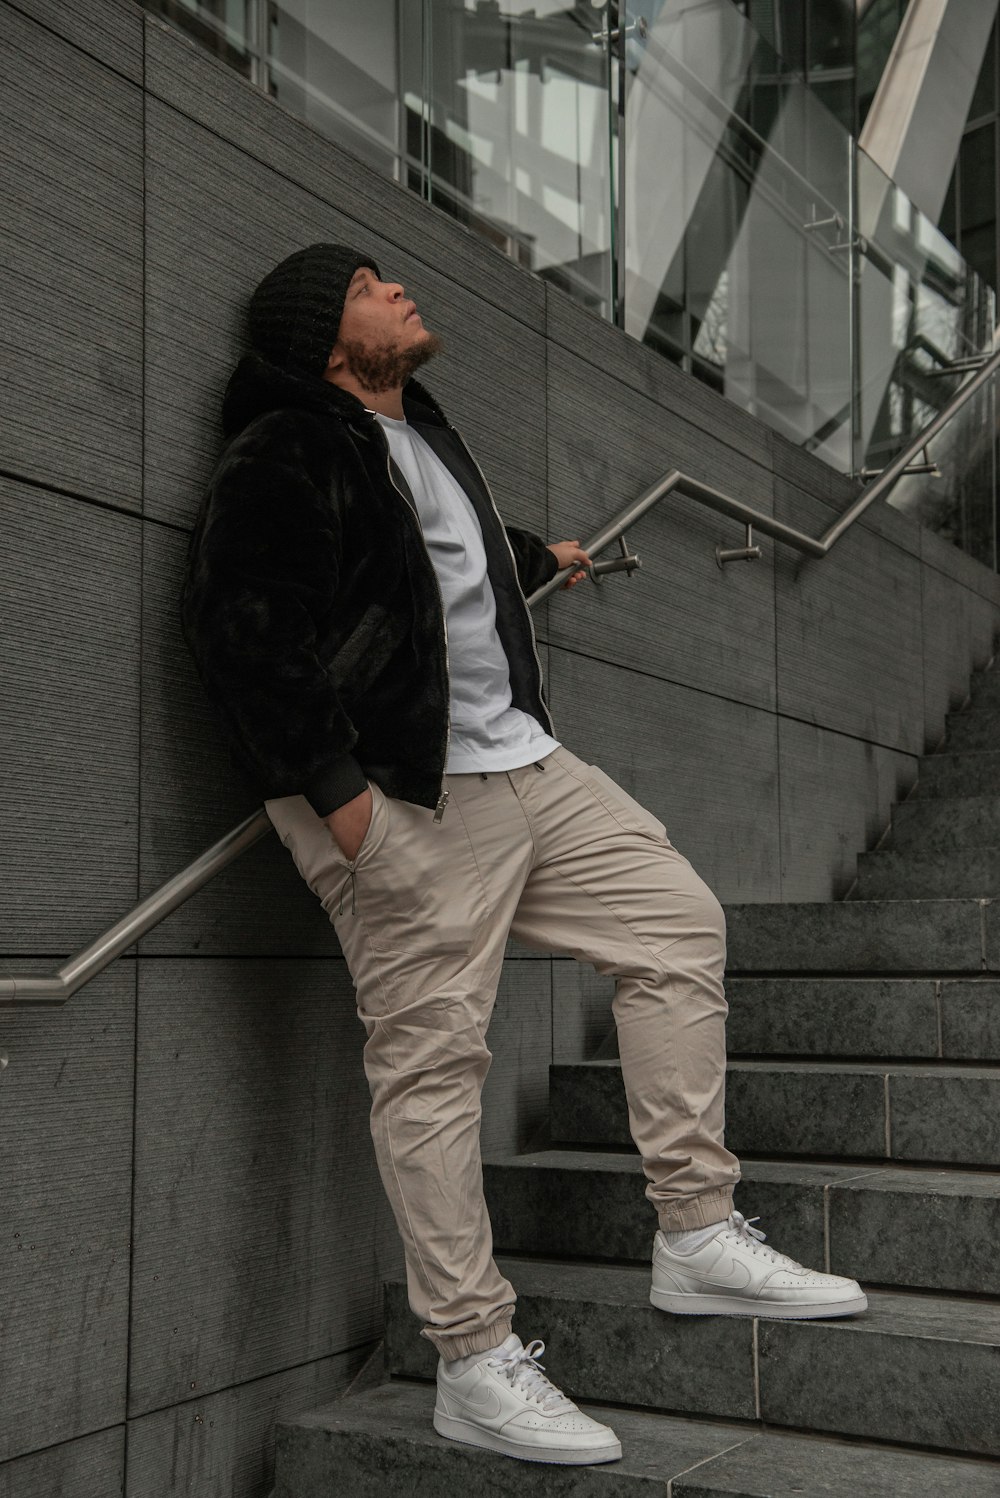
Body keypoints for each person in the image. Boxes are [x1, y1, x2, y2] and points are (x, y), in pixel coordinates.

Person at [179, 242, 867, 1469]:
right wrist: (347, 809)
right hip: (404, 796)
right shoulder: (285, 450)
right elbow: (245, 631)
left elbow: (430, 556)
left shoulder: (418, 430)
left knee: (675, 923)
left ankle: (696, 1232)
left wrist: (538, 553)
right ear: (325, 341)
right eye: (367, 285)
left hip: (523, 768)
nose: (398, 289)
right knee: (434, 1065)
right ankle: (471, 1355)